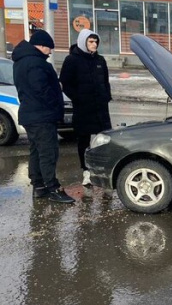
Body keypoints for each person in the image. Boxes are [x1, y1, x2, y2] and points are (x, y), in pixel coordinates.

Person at [12, 30, 75, 204]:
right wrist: (55, 105)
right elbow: (42, 90)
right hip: (42, 116)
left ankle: (38, 187)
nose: (50, 52)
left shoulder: (20, 62)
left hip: (30, 114)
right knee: (48, 152)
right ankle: (53, 187)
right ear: (40, 46)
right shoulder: (37, 64)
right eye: (49, 48)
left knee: (36, 151)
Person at [59, 28, 112, 187]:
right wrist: (78, 98)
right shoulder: (72, 60)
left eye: (96, 41)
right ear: (83, 42)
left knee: (104, 139)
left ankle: (102, 169)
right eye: (91, 41)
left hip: (100, 107)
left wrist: (106, 96)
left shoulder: (100, 60)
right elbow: (65, 83)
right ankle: (86, 171)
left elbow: (106, 81)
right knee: (83, 140)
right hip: (83, 108)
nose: (94, 44)